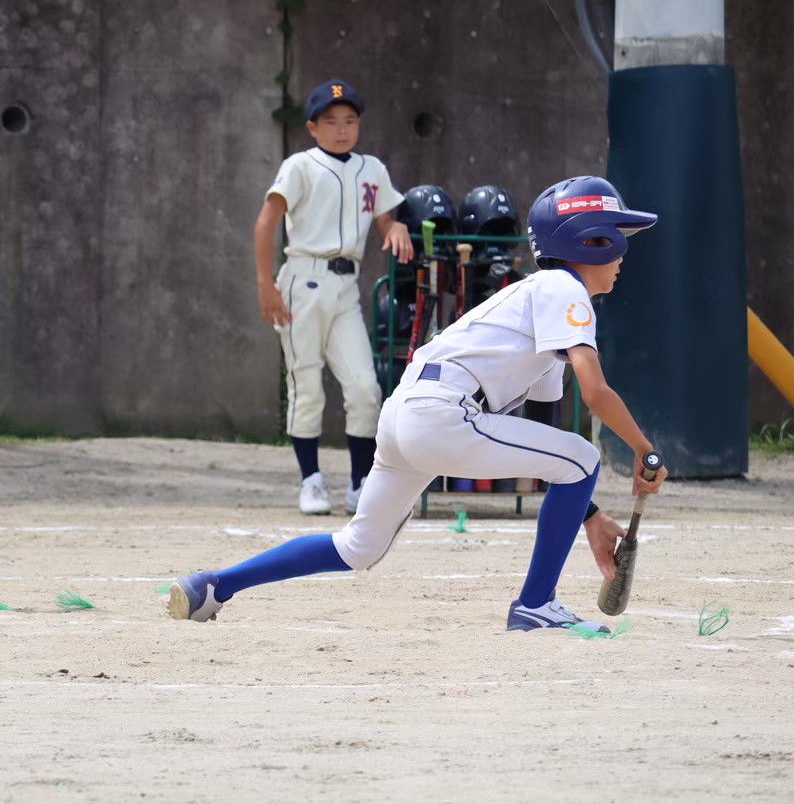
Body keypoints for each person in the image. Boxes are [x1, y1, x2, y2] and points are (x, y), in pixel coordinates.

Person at [172, 176, 668, 632]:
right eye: (616, 237)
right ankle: (535, 604)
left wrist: (589, 512)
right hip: (445, 414)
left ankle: (215, 584)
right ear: (590, 240)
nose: (623, 255)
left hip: (407, 411)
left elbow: (546, 428)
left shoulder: (538, 298)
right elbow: (596, 394)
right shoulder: (565, 289)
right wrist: (646, 453)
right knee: (585, 455)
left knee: (356, 548)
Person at [256, 80, 414, 516]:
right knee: (306, 386)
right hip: (301, 278)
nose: (342, 129)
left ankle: (360, 484)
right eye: (331, 121)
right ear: (313, 127)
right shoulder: (300, 166)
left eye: (350, 120)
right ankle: (311, 481)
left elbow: (385, 219)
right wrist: (265, 282)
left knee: (365, 387)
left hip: (346, 285)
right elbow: (267, 221)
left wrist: (395, 228)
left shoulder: (371, 168)